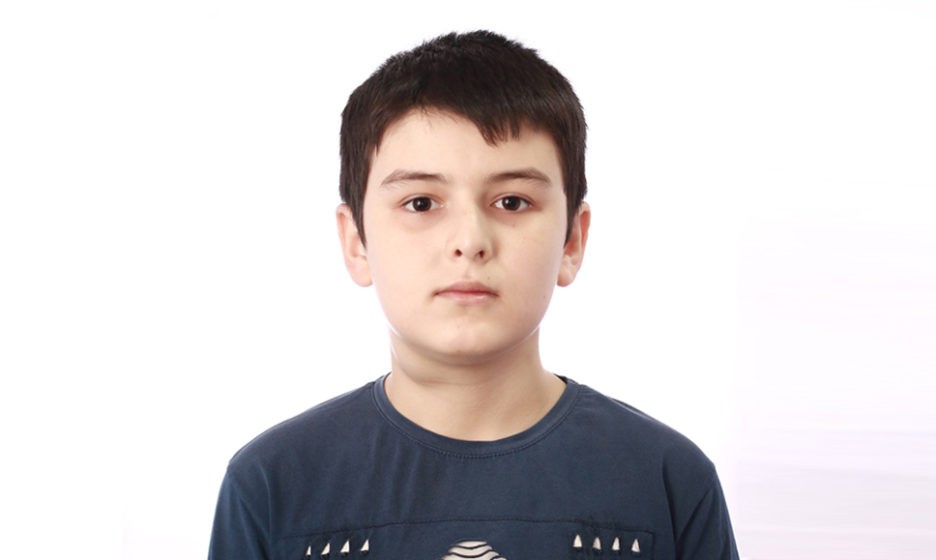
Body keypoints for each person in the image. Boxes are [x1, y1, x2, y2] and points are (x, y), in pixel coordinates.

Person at [208, 30, 739, 560]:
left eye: (511, 202)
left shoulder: (665, 481)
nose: (469, 241)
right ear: (356, 242)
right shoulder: (273, 486)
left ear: (572, 241)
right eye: (421, 203)